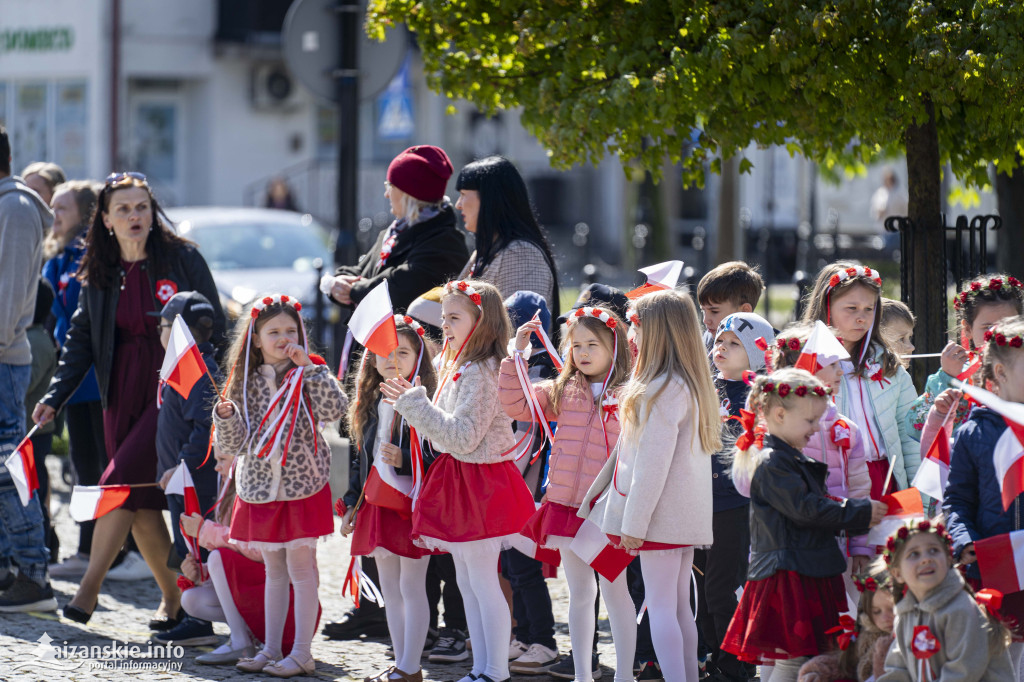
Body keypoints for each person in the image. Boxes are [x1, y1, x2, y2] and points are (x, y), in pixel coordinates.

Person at [34, 171, 225, 625]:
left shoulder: (182, 258)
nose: (134, 216)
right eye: (123, 209)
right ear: (104, 219)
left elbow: (214, 321)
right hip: (119, 392)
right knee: (139, 503)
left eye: (141, 206)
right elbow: (81, 338)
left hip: (172, 391)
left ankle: (87, 591)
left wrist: (220, 391)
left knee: (117, 485)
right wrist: (55, 397)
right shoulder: (99, 270)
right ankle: (174, 602)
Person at [381, 279, 536, 682]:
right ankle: (482, 667)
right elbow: (445, 432)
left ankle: (496, 671)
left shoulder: (483, 370)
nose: (444, 326)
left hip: (481, 481)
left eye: (454, 317)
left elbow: (463, 436)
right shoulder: (461, 364)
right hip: (462, 478)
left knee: (482, 579)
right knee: (468, 580)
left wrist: (415, 404)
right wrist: (415, 405)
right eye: (443, 318)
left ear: (480, 320)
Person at [580, 289, 722, 682]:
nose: (631, 336)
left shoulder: (659, 389)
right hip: (680, 515)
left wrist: (633, 526)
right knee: (677, 607)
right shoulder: (686, 383)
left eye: (636, 327)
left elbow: (650, 467)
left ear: (654, 332)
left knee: (661, 607)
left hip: (656, 516)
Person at [723, 369, 886, 682]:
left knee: (808, 658)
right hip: (789, 574)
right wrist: (859, 512)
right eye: (811, 421)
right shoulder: (774, 461)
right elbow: (806, 509)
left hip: (803, 567)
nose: (816, 428)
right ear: (781, 414)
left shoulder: (788, 458)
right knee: (792, 661)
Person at [214, 294, 346, 677]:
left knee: (302, 570)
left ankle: (302, 652)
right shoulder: (243, 381)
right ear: (255, 338)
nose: (284, 337)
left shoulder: (309, 371)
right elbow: (234, 444)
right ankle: (271, 649)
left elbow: (334, 410)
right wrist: (224, 418)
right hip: (259, 488)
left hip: (301, 486)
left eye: (291, 330)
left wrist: (313, 371)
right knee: (274, 571)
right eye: (274, 331)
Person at [500, 303, 634, 682]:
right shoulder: (562, 388)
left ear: (615, 347)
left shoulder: (629, 393)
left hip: (607, 511)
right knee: (579, 593)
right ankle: (581, 676)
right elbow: (516, 404)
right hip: (567, 508)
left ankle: (625, 675)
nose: (584, 353)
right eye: (576, 346)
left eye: (593, 344)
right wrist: (518, 357)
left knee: (615, 593)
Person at [341, 316, 439, 682]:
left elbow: (442, 450)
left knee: (413, 587)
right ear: (371, 359)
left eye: (402, 351)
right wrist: (352, 503)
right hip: (377, 506)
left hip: (411, 505)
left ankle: (412, 667)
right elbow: (360, 461)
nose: (393, 359)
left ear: (419, 357)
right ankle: (400, 663)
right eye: (384, 352)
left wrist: (409, 462)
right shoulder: (369, 402)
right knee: (390, 590)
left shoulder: (426, 399)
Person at [177, 447, 311, 666]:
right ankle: (249, 636)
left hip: (290, 605)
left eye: (222, 459)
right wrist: (199, 573)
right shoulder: (228, 492)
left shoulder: (258, 489)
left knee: (218, 558)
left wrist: (204, 531)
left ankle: (241, 641)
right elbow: (235, 565)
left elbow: (258, 549)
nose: (216, 467)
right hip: (261, 593)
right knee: (191, 599)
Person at [943, 316, 1024, 672]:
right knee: (1001, 660)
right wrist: (965, 540)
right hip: (995, 567)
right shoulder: (974, 432)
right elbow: (957, 500)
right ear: (1001, 372)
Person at [699, 312, 775, 682]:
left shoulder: (759, 395)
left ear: (757, 355)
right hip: (700, 501)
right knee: (703, 585)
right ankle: (718, 657)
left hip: (736, 504)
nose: (721, 347)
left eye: (734, 344)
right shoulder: (705, 385)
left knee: (723, 587)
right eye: (720, 340)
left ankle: (734, 666)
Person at [0, 125, 58, 613]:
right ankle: (8, 569)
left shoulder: (15, 209)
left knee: (8, 472)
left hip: (3, 360)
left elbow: (10, 299)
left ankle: (33, 576)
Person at [802, 263, 919, 497]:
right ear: (827, 307)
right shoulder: (804, 366)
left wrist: (921, 498)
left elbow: (910, 435)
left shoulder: (889, 366)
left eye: (869, 308)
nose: (861, 318)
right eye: (852, 308)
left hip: (886, 479)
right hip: (832, 482)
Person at [771, 324, 873, 592]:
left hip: (837, 546)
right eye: (832, 364)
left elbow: (860, 490)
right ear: (806, 369)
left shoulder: (848, 429)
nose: (841, 371)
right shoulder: (778, 427)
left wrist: (860, 544)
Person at [41, 180, 108, 578]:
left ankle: (97, 551)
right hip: (72, 378)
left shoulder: (89, 255)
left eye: (61, 208)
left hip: (94, 378)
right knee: (83, 464)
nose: (53, 216)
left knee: (95, 467)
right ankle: (90, 549)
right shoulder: (59, 252)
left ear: (84, 214)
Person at [151, 291, 221, 647]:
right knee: (187, 544)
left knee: (196, 548)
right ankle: (193, 613)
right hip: (180, 479)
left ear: (177, 330)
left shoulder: (198, 370)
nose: (159, 332)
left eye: (163, 325)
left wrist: (180, 466)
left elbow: (204, 428)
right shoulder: (183, 366)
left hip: (194, 480)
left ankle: (199, 619)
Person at [324, 145, 468, 313]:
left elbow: (396, 288)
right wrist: (337, 282)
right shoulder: (393, 231)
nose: (386, 194)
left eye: (390, 186)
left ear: (409, 195)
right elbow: (362, 270)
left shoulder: (444, 242)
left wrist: (352, 290)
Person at [501, 291, 560, 675]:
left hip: (524, 485)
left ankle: (544, 640)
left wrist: (506, 477)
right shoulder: (524, 369)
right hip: (514, 485)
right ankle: (522, 634)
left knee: (524, 568)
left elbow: (524, 439)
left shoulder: (537, 374)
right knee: (511, 567)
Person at [878, 519, 1013, 681]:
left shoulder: (960, 608)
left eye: (934, 550)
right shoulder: (906, 614)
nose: (926, 559)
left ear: (949, 559)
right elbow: (898, 667)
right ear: (897, 573)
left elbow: (964, 671)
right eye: (914, 554)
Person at [905, 274, 1023, 439]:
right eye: (988, 327)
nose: (997, 333)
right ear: (967, 329)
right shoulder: (959, 373)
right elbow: (915, 427)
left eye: (1008, 324)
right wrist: (947, 377)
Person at [453, 156, 561, 324]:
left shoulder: (522, 254)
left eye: (463, 194)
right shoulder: (486, 251)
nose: (458, 204)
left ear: (489, 199)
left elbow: (521, 330)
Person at [797, 568, 895, 682]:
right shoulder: (868, 635)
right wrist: (817, 672)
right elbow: (846, 664)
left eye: (892, 610)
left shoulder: (906, 638)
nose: (885, 618)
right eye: (876, 612)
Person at [24, 279, 58, 560]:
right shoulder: (32, 337)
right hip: (31, 432)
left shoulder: (35, 342)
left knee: (33, 494)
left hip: (33, 433)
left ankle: (44, 548)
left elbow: (23, 384)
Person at [697, 262, 765, 351]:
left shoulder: (763, 349)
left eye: (714, 311)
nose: (705, 320)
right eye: (703, 311)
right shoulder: (707, 341)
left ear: (744, 311)